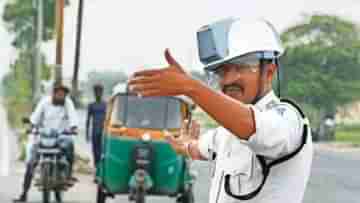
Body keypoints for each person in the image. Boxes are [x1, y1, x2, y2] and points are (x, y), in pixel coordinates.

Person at [129, 18, 313, 203]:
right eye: (222, 71)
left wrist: (190, 87)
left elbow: (254, 127)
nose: (228, 80)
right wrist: (184, 145)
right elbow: (198, 147)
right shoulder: (225, 133)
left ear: (269, 72)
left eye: (240, 67)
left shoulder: (288, 120)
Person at [13, 83, 78, 203]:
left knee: (70, 145)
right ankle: (24, 194)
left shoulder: (68, 103)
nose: (61, 96)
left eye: (63, 94)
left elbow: (73, 117)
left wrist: (73, 128)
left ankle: (68, 175)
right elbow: (35, 117)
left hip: (61, 136)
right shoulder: (44, 102)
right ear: (53, 93)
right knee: (31, 161)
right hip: (43, 135)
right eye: (58, 93)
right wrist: (31, 126)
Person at [86, 84, 107, 172]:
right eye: (96, 92)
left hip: (104, 131)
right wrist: (87, 134)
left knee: (103, 151)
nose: (98, 93)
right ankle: (96, 169)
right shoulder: (91, 105)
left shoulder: (106, 105)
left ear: (102, 92)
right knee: (95, 151)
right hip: (95, 131)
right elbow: (88, 120)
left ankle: (101, 169)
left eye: (99, 91)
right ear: (94, 93)